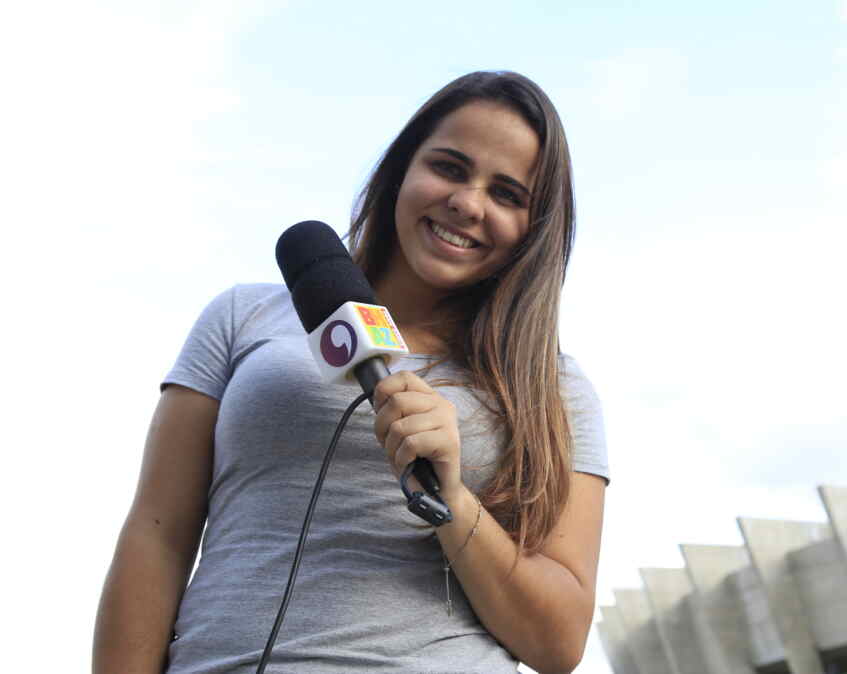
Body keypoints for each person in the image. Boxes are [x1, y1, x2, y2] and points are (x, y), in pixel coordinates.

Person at [93, 71, 608, 674]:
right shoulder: (244, 315)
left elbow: (558, 643)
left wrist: (453, 500)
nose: (468, 203)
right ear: (401, 171)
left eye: (507, 194)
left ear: (535, 229)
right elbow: (157, 537)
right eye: (448, 167)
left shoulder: (554, 389)